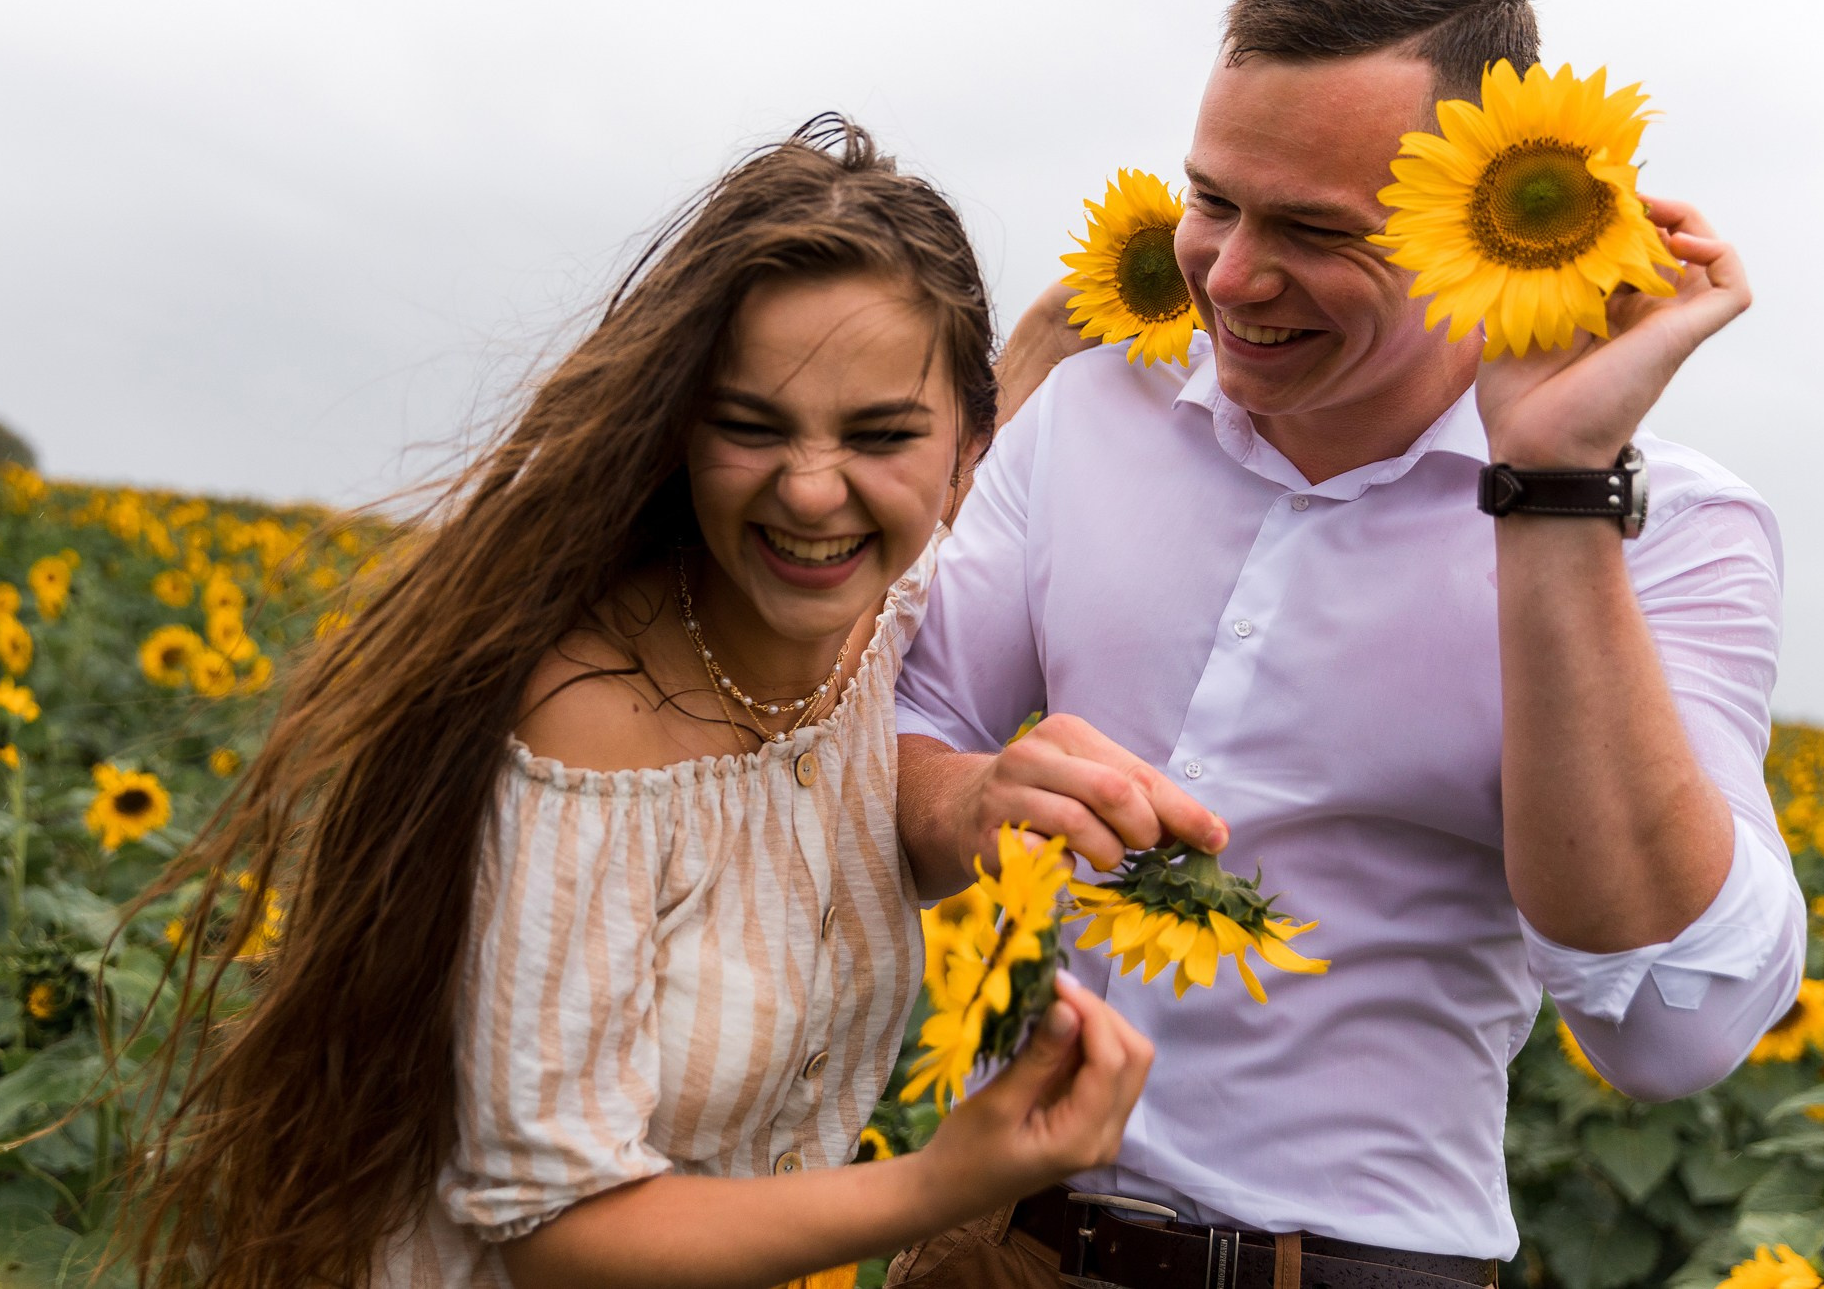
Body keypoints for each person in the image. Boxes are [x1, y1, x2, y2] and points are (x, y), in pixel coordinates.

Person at [889, 0, 1803, 1288]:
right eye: (1213, 200)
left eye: (1317, 230)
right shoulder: (1091, 415)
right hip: (992, 1244)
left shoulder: (1671, 529)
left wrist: (1553, 484)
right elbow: (886, 742)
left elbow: (1671, 1029)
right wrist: (972, 799)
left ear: (1468, 225)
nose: (1230, 277)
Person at [129, 116, 1150, 1289]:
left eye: (878, 434)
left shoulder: (873, 614)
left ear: (966, 453)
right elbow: (558, 1233)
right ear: (677, 431)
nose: (812, 491)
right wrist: (940, 1184)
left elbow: (959, 443)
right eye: (751, 426)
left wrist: (1109, 305)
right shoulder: (587, 726)